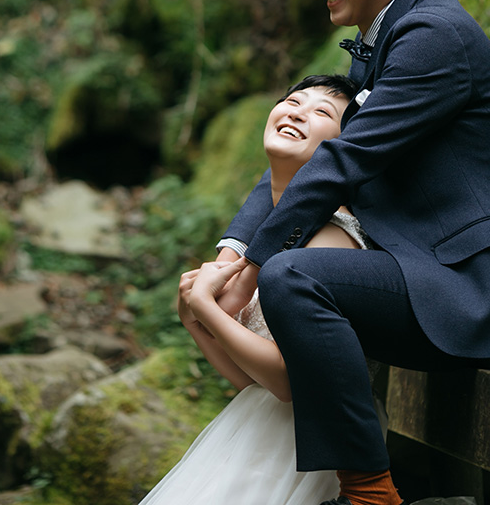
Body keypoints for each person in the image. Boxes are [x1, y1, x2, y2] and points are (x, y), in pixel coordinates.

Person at [216, 0, 490, 505]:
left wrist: (260, 261)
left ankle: (370, 494)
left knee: (295, 276)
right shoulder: (382, 43)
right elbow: (305, 162)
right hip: (433, 271)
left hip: (484, 284)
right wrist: (235, 252)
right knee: (289, 271)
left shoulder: (433, 37)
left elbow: (343, 163)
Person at [138, 74, 382, 505]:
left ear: (346, 145)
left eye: (322, 112)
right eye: (292, 100)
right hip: (258, 428)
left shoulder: (331, 234)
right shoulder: (272, 232)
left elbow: (290, 381)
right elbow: (253, 380)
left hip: (308, 445)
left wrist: (206, 309)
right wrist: (193, 322)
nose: (298, 111)